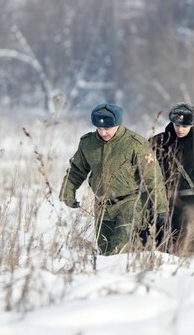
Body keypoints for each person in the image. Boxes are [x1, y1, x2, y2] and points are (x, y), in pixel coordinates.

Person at [59, 103, 168, 255]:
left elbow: (153, 179)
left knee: (119, 249)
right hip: (102, 205)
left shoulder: (135, 144)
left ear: (118, 124)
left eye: (107, 128)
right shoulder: (88, 143)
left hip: (130, 203)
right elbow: (76, 171)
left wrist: (160, 209)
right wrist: (68, 192)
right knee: (105, 251)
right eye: (99, 128)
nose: (103, 133)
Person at [150, 102, 194, 254]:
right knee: (159, 251)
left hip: (189, 206)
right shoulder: (156, 143)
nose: (180, 129)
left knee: (185, 251)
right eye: (177, 125)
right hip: (161, 203)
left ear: (192, 125)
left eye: (184, 126)